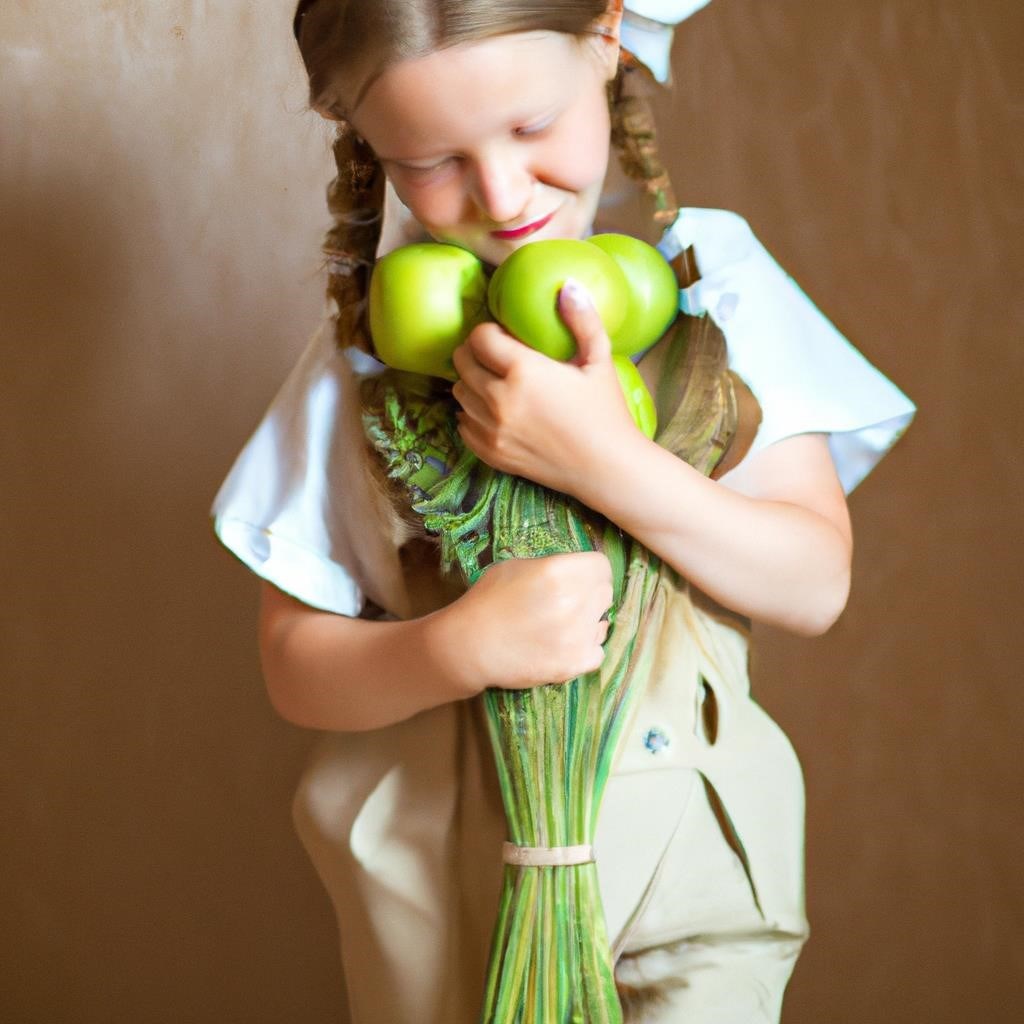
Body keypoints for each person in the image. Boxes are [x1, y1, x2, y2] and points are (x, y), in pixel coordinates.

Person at [212, 2, 915, 1021]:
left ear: (605, 40)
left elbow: (814, 582)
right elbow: (292, 664)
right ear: (368, 147)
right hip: (441, 898)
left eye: (530, 128)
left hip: (691, 879)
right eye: (428, 159)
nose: (499, 194)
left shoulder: (717, 294)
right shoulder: (357, 360)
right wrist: (454, 647)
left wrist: (603, 461)